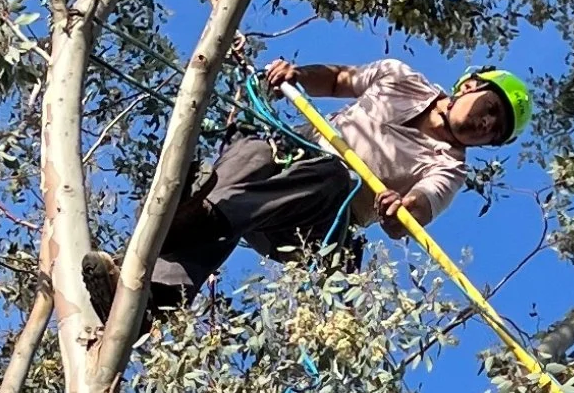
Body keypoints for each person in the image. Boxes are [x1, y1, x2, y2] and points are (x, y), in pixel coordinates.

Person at [82, 55, 533, 324]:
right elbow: (338, 80)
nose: (485, 125)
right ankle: (154, 300)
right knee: (257, 152)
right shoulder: (400, 78)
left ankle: (191, 221)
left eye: (494, 132)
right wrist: (296, 76)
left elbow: (419, 208)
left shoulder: (448, 167)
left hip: (317, 228)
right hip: (277, 176)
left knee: (335, 176)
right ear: (470, 85)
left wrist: (401, 209)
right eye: (491, 109)